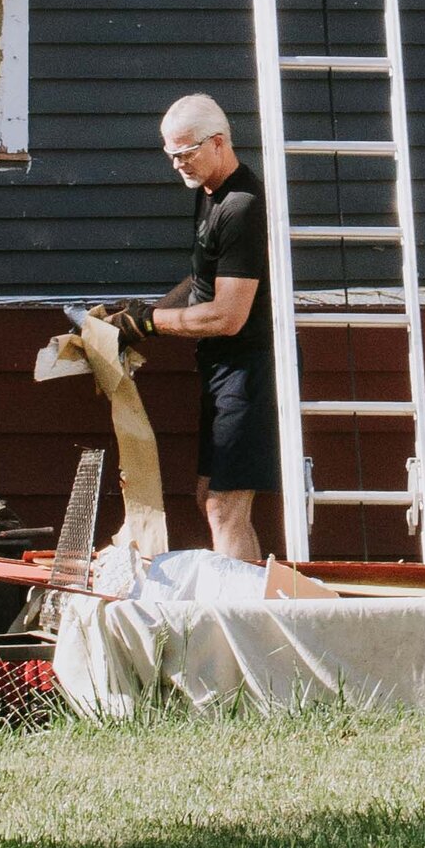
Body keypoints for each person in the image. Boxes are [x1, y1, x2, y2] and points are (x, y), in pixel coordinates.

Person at [147, 93, 278, 563]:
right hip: (223, 368)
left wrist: (150, 322)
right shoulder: (209, 194)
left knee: (226, 507)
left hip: (252, 371)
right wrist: (142, 319)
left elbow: (227, 315)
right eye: (170, 154)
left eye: (185, 153)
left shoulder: (242, 205)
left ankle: (242, 624)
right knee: (208, 499)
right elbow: (205, 277)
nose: (177, 164)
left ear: (218, 142)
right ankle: (240, 604)